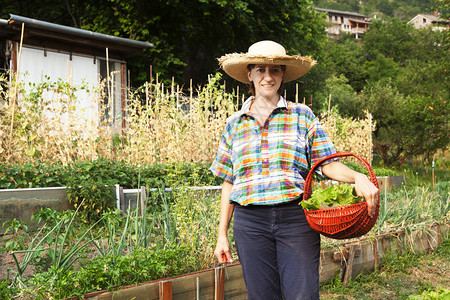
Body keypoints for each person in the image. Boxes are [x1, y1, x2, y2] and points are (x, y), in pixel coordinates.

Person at [210, 40, 379, 299]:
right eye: (260, 70)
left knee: (302, 295)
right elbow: (229, 182)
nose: (268, 77)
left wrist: (358, 177)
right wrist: (221, 234)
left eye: (275, 70)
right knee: (262, 295)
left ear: (283, 74)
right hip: (250, 224)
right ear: (249, 74)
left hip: (295, 219)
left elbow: (327, 163)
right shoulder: (234, 124)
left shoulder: (302, 116)